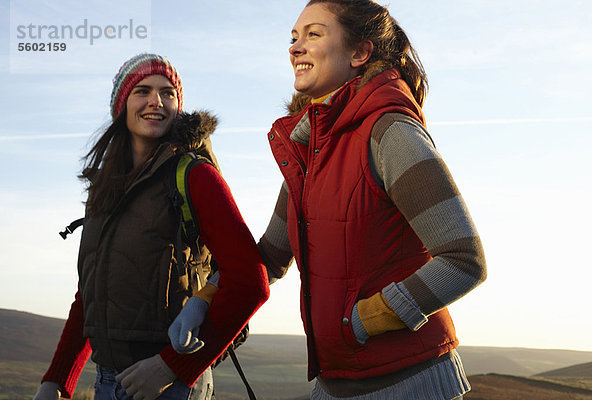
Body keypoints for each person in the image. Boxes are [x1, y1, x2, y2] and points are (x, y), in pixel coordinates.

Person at [171, 0, 488, 399]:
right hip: (332, 385)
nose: (295, 47)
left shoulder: (391, 132)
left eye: (314, 34)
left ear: (360, 53)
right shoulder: (308, 152)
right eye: (293, 37)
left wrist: (363, 321)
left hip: (410, 384)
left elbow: (464, 259)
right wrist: (205, 299)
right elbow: (269, 256)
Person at [32, 53, 270, 400]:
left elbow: (251, 281)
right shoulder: (105, 188)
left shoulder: (194, 176)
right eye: (142, 91)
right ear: (121, 104)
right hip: (108, 383)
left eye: (167, 92)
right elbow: (91, 295)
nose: (155, 101)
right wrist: (56, 380)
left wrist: (170, 367)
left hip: (169, 384)